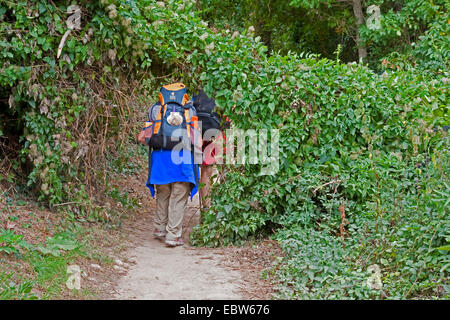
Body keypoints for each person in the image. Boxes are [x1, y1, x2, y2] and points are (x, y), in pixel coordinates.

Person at [141, 83, 200, 247]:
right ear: (184, 95)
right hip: (182, 159)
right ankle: (173, 235)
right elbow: (196, 139)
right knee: (178, 196)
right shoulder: (190, 110)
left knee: (163, 193)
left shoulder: (155, 109)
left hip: (160, 159)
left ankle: (159, 229)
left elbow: (143, 137)